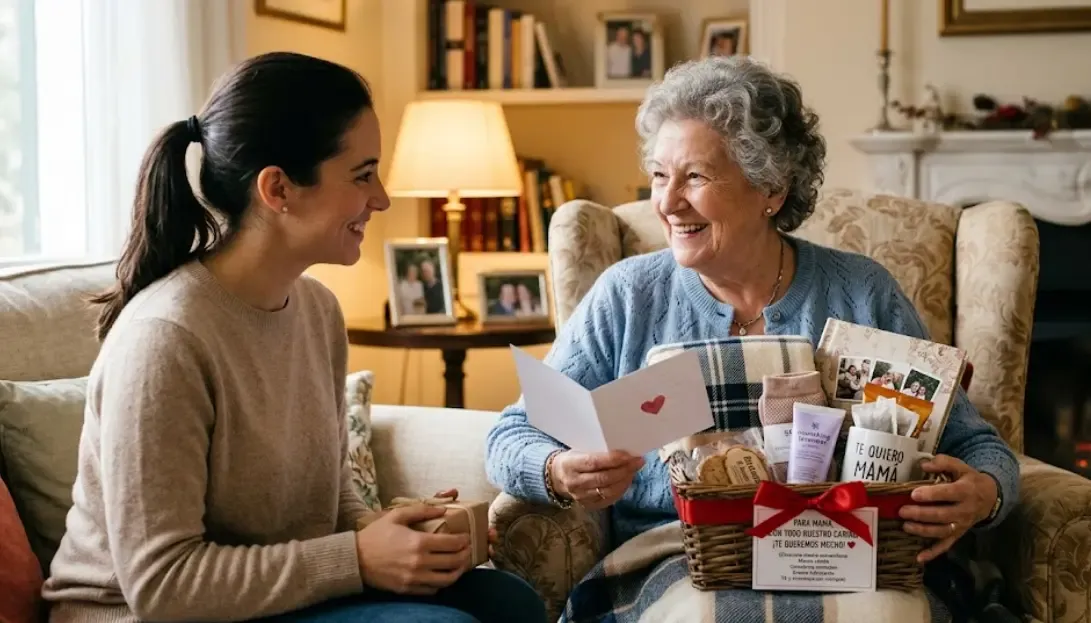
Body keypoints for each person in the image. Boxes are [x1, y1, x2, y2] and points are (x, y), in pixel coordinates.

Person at [484, 56, 1018, 619]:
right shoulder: (628, 294)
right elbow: (510, 434)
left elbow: (978, 445)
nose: (666, 203)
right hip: (679, 559)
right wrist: (557, 470)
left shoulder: (863, 292)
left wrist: (985, 493)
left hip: (850, 556)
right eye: (660, 175)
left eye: (696, 177)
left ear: (771, 187)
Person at [42, 51, 546, 623]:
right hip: (143, 614)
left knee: (512, 603)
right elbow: (163, 587)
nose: (380, 198)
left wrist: (396, 533)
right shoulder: (165, 339)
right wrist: (356, 558)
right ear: (278, 188)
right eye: (362, 175)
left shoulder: (317, 311)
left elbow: (326, 506)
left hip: (268, 600)